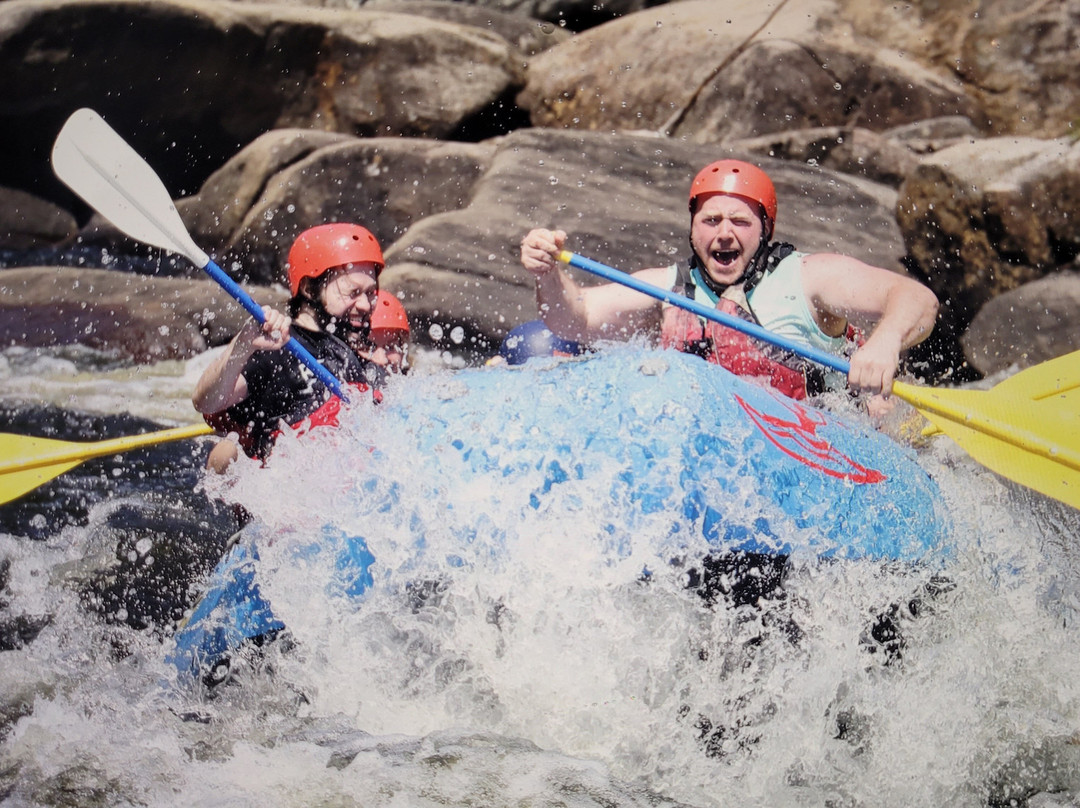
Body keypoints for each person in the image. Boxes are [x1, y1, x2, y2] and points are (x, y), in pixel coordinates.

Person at [519, 159, 939, 411]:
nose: (724, 234)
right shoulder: (669, 288)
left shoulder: (809, 276)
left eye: (740, 222)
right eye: (710, 220)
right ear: (693, 230)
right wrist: (548, 274)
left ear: (764, 231)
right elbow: (574, 318)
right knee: (530, 342)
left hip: (818, 444)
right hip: (722, 463)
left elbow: (916, 299)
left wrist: (884, 343)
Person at [194, 223, 388, 468]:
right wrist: (242, 346)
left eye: (371, 293)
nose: (365, 305)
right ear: (308, 289)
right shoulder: (277, 347)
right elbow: (205, 402)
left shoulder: (352, 358)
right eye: (353, 292)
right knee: (223, 452)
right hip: (286, 494)